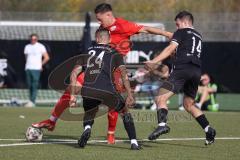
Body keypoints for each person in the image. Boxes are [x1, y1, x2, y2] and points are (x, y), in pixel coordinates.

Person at [32, 3, 172, 144]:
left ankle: (110, 132)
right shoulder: (102, 29)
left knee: (114, 104)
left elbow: (146, 29)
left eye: (100, 19)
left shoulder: (123, 25)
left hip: (115, 70)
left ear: (109, 15)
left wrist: (167, 34)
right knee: (72, 87)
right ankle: (52, 121)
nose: (99, 22)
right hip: (98, 67)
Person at [145, 11, 216, 145]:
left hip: (182, 69)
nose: (176, 27)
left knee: (160, 98)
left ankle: (162, 125)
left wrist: (154, 61)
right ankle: (208, 129)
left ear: (184, 22)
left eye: (177, 24)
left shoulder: (181, 32)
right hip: (196, 71)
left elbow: (170, 48)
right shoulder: (198, 35)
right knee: (188, 104)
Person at [69, 28, 141, 150]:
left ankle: (87, 129)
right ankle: (134, 142)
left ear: (97, 39)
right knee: (124, 112)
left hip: (88, 90)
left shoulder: (86, 52)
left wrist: (72, 95)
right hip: (107, 91)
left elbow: (74, 73)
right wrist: (129, 94)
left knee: (90, 112)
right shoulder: (115, 53)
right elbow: (124, 74)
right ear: (110, 39)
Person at [24, 34, 50, 107]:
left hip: (36, 68)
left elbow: (47, 57)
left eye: (35, 39)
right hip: (28, 68)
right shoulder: (27, 47)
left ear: (37, 39)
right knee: (29, 85)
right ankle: (30, 100)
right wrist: (27, 65)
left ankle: (32, 101)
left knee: (34, 84)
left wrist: (40, 65)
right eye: (32, 39)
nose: (33, 40)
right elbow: (26, 57)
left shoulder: (40, 46)